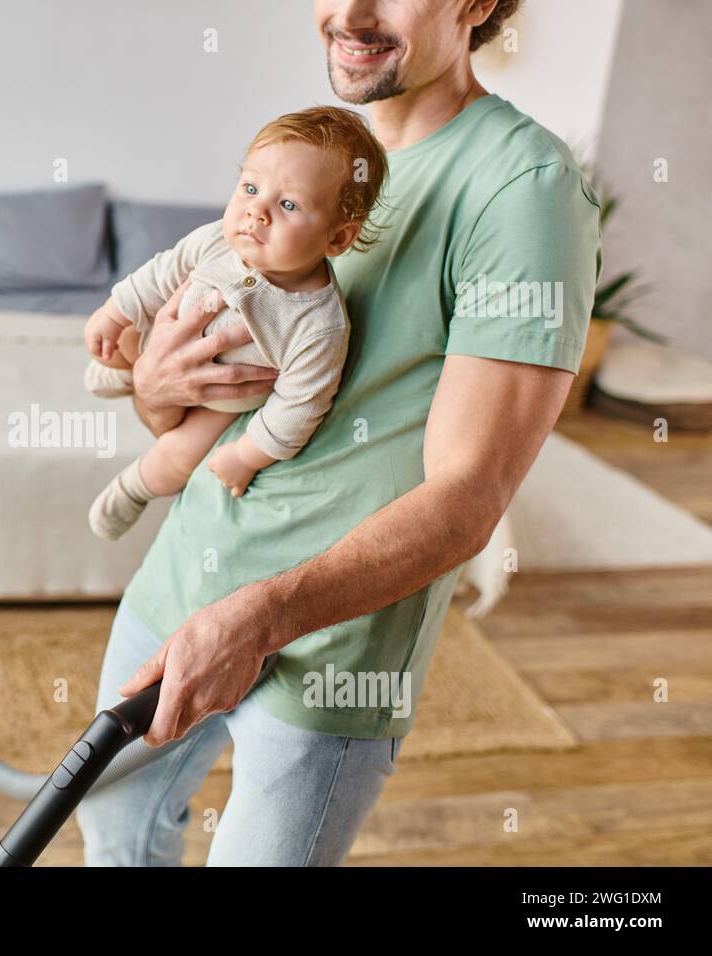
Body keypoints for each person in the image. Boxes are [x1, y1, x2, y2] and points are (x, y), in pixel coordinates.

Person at [77, 0, 602, 866]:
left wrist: (259, 620)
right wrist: (153, 387)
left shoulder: (524, 189)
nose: (350, 13)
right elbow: (201, 410)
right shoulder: (319, 161)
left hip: (329, 654)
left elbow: (468, 498)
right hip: (181, 577)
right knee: (118, 836)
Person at [83, 107, 387, 542]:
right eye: (249, 188)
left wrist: (247, 455)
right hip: (160, 341)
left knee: (182, 455)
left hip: (221, 404)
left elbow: (300, 405)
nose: (255, 212)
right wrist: (115, 312)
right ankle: (121, 369)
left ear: (337, 238)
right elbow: (161, 273)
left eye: (288, 204)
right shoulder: (214, 242)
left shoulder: (318, 324)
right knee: (128, 332)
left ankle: (131, 488)